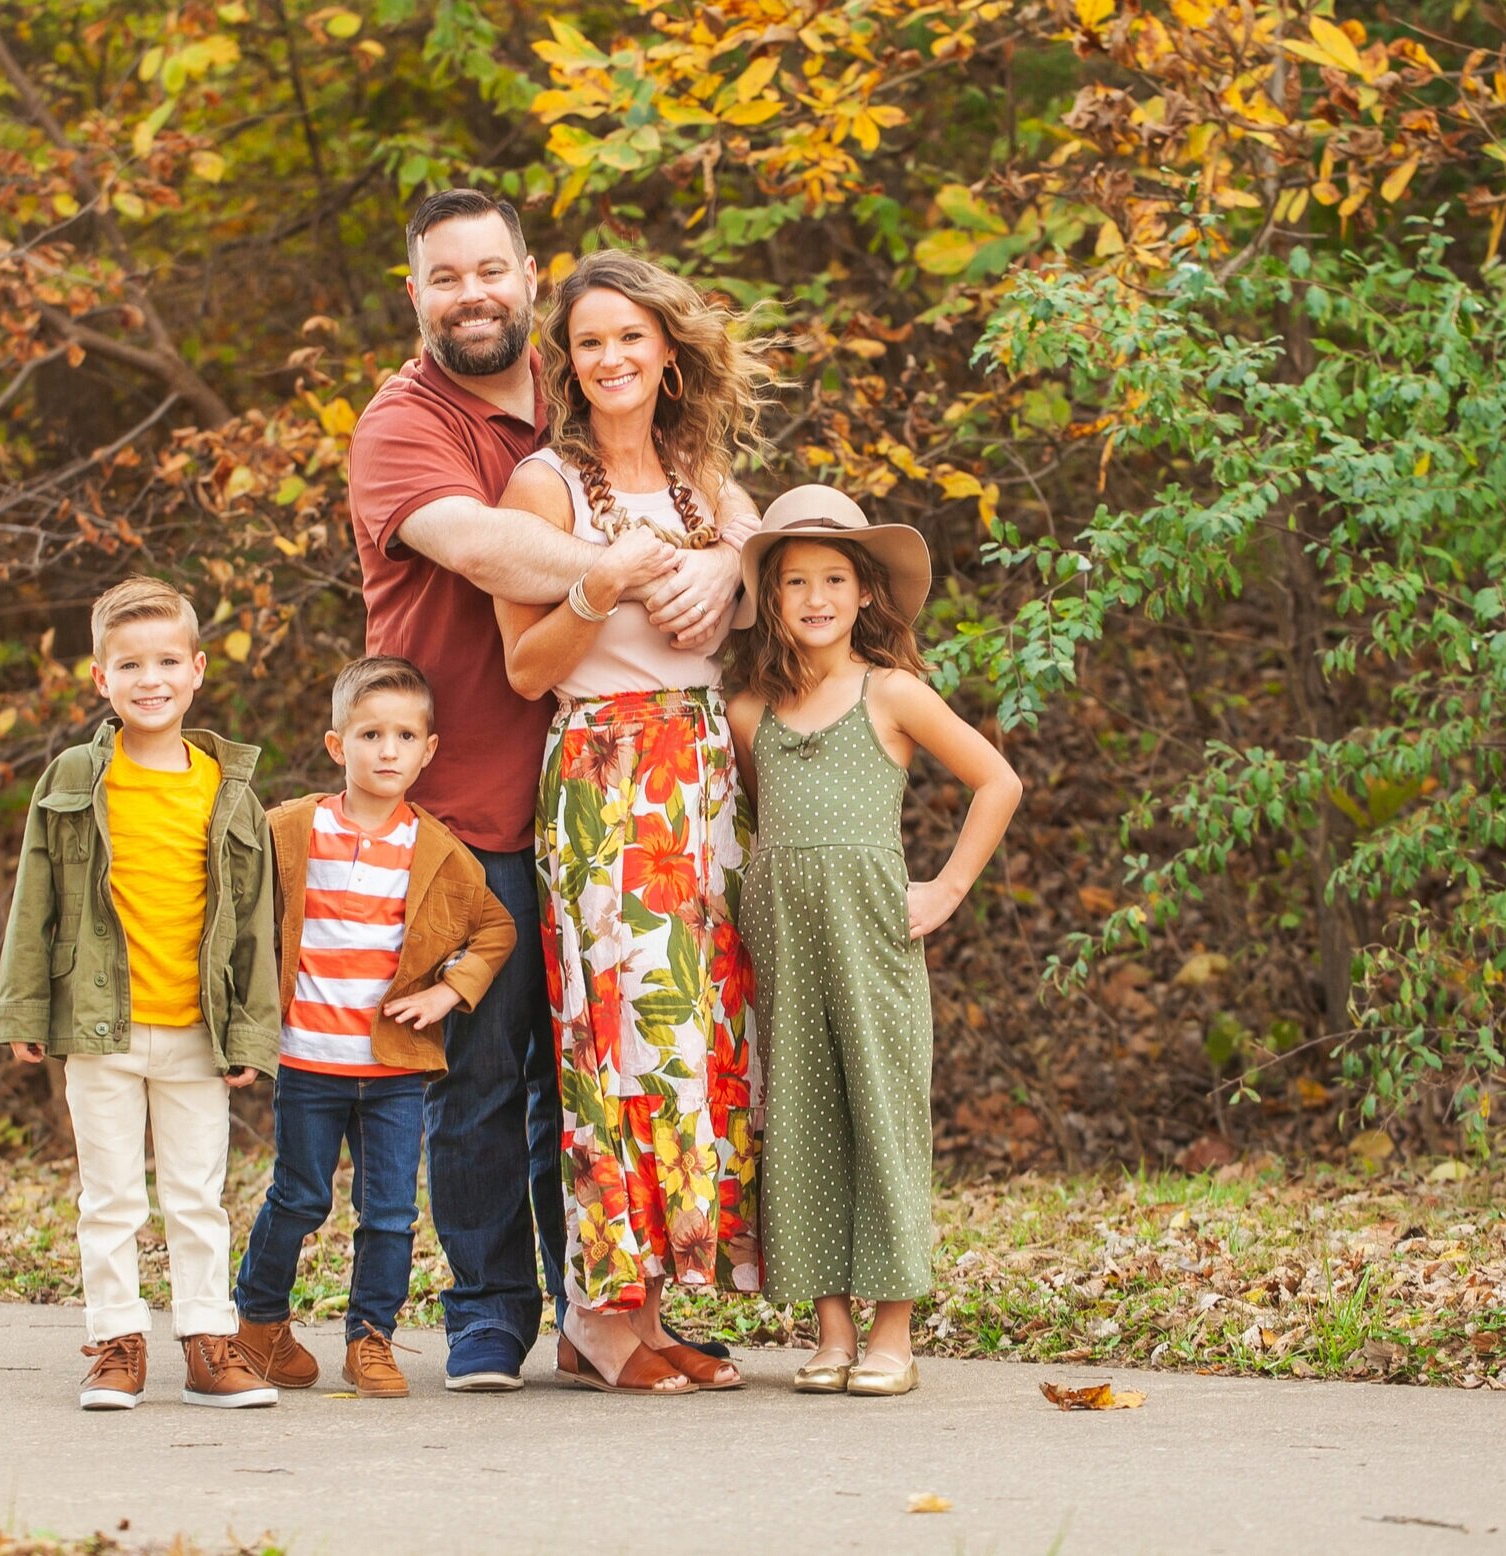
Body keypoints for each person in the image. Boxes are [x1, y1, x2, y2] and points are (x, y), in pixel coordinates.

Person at [345, 189, 748, 1389]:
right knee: (485, 1071)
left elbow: (733, 522)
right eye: (445, 276)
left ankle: (611, 1304)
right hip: (471, 790)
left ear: (530, 277)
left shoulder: (583, 398)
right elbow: (486, 550)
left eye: (492, 270)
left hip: (635, 797)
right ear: (414, 295)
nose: (472, 293)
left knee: (607, 1060)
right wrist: (648, 570)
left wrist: (730, 560)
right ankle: (488, 1312)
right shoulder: (402, 423)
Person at [493, 248, 779, 1395]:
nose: (610, 357)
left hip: (705, 774)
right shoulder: (543, 486)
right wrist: (596, 587)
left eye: (629, 337)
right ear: (568, 364)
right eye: (589, 341)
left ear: (668, 351)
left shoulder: (709, 477)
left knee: (697, 1037)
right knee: (614, 1039)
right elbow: (523, 668)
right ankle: (601, 1315)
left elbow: (766, 603)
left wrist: (734, 573)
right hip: (607, 772)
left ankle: (651, 1307)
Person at [724, 488, 1023, 1398]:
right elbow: (750, 824)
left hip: (872, 939)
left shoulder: (891, 692)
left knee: (881, 1119)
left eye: (835, 580)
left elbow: (997, 781)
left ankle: (894, 1330)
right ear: (771, 599)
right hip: (782, 942)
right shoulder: (750, 713)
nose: (815, 597)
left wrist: (947, 887)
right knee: (803, 1124)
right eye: (795, 582)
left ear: (864, 595)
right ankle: (832, 1329)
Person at [0, 575, 283, 1411]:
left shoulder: (227, 792)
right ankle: (118, 1341)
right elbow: (33, 901)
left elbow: (255, 926)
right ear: (101, 679)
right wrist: (23, 1011)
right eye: (129, 665)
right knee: (111, 1194)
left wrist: (251, 1037)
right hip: (99, 1030)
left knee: (197, 1196)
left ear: (197, 670)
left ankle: (205, 1345)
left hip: (197, 1029)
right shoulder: (76, 778)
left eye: (165, 661)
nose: (148, 679)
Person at [231, 657, 519, 1399]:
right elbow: (227, 886)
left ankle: (371, 1340)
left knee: (388, 1213)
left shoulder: (439, 852)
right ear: (338, 746)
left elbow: (495, 928)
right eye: (370, 734)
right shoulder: (293, 829)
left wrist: (449, 994)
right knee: (298, 1198)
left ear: (428, 751)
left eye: (404, 736)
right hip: (309, 1061)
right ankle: (258, 1323)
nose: (387, 751)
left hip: (394, 1069)